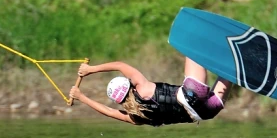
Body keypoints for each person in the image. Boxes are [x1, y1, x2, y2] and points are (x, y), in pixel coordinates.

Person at [68, 58, 231, 126]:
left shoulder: (135, 117)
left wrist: (81, 97)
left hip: (206, 113)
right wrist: (91, 69)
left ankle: (233, 66)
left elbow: (109, 112)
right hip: (192, 94)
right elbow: (119, 65)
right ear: (129, 86)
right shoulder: (141, 87)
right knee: (192, 48)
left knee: (230, 71)